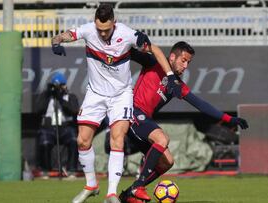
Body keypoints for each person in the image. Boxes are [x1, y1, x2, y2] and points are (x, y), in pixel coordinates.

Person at [51, 4, 181, 203]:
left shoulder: (127, 34)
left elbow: (152, 48)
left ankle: (111, 193)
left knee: (117, 138)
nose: (102, 34)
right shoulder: (88, 30)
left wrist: (170, 76)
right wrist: (57, 42)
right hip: (95, 94)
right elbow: (63, 35)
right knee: (82, 141)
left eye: (106, 30)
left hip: (121, 95)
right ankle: (91, 185)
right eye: (99, 30)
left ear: (114, 22)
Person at [118, 41, 249, 203]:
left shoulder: (176, 85)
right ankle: (138, 185)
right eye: (183, 60)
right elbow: (130, 53)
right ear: (172, 57)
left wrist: (230, 118)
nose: (186, 65)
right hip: (132, 113)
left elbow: (201, 104)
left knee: (167, 162)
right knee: (162, 139)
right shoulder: (154, 62)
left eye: (189, 62)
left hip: (144, 123)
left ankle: (128, 195)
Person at [36, 72, 79, 179]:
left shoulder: (71, 96)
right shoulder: (45, 97)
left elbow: (74, 110)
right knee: (45, 142)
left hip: (66, 128)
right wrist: (48, 94)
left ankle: (71, 170)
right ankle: (45, 170)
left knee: (74, 140)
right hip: (49, 128)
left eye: (61, 85)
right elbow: (39, 110)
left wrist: (60, 98)